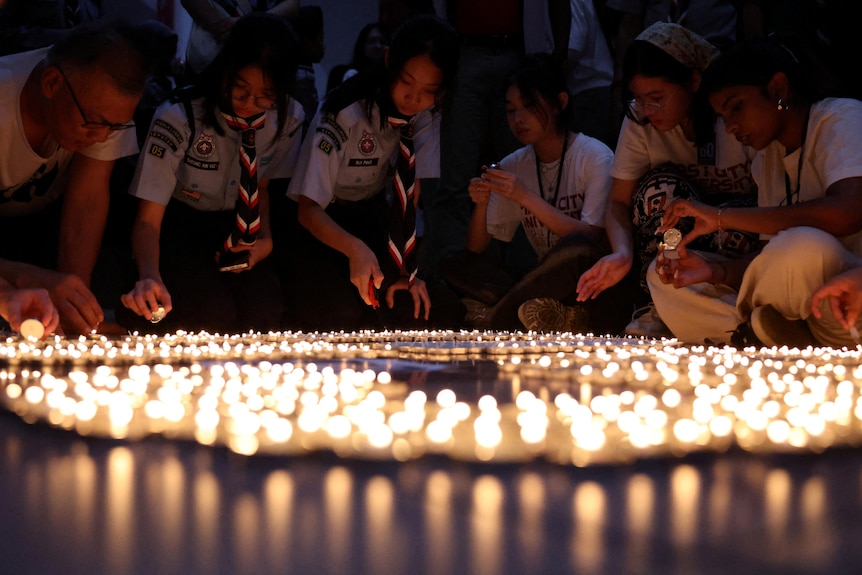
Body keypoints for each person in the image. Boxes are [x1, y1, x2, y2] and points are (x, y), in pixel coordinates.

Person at [649, 38, 862, 347]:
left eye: (737, 107)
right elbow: (768, 258)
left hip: (850, 292)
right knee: (663, 279)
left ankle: (760, 332)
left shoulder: (841, 118)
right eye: (723, 117)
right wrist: (714, 271)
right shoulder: (767, 160)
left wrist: (722, 217)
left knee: (803, 245)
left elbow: (848, 213)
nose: (731, 127)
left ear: (777, 89)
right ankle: (771, 332)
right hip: (800, 295)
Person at [120, 12, 304, 334]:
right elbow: (148, 219)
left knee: (265, 311)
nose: (250, 103)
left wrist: (264, 242)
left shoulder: (287, 119)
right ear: (225, 68)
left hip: (235, 228)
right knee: (210, 314)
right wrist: (149, 275)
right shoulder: (180, 116)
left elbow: (260, 186)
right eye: (240, 88)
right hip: (176, 225)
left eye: (266, 95)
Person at [574, 22, 757, 337]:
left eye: (656, 97)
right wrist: (622, 252)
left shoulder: (733, 118)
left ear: (693, 81)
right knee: (659, 190)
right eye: (639, 98)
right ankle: (656, 302)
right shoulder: (640, 120)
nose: (647, 109)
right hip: (678, 249)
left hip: (735, 239)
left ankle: (740, 308)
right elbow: (619, 201)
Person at [285, 15, 460, 331]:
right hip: (319, 225)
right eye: (406, 81)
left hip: (372, 216)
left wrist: (406, 271)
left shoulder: (426, 115)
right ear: (390, 60)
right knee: (343, 315)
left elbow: (410, 196)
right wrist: (355, 249)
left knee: (413, 309)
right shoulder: (346, 112)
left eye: (429, 89)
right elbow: (307, 210)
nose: (414, 98)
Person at [440, 53, 629, 334]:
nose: (518, 118)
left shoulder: (595, 156)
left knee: (577, 249)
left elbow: (591, 239)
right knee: (455, 265)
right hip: (542, 283)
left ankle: (500, 316)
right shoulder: (514, 164)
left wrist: (525, 196)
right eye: (511, 110)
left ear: (560, 103)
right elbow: (476, 248)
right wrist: (480, 204)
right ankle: (544, 313)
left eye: (528, 106)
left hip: (589, 283)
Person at [0, 20, 153, 335]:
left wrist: (76, 309)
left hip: (39, 219)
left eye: (114, 127)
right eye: (93, 124)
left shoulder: (101, 106)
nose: (100, 138)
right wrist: (23, 278)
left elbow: (87, 200)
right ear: (52, 83)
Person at [181, 0, 299, 78]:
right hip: (212, 53)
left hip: (265, 52)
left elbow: (292, 5)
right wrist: (220, 25)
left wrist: (250, 23)